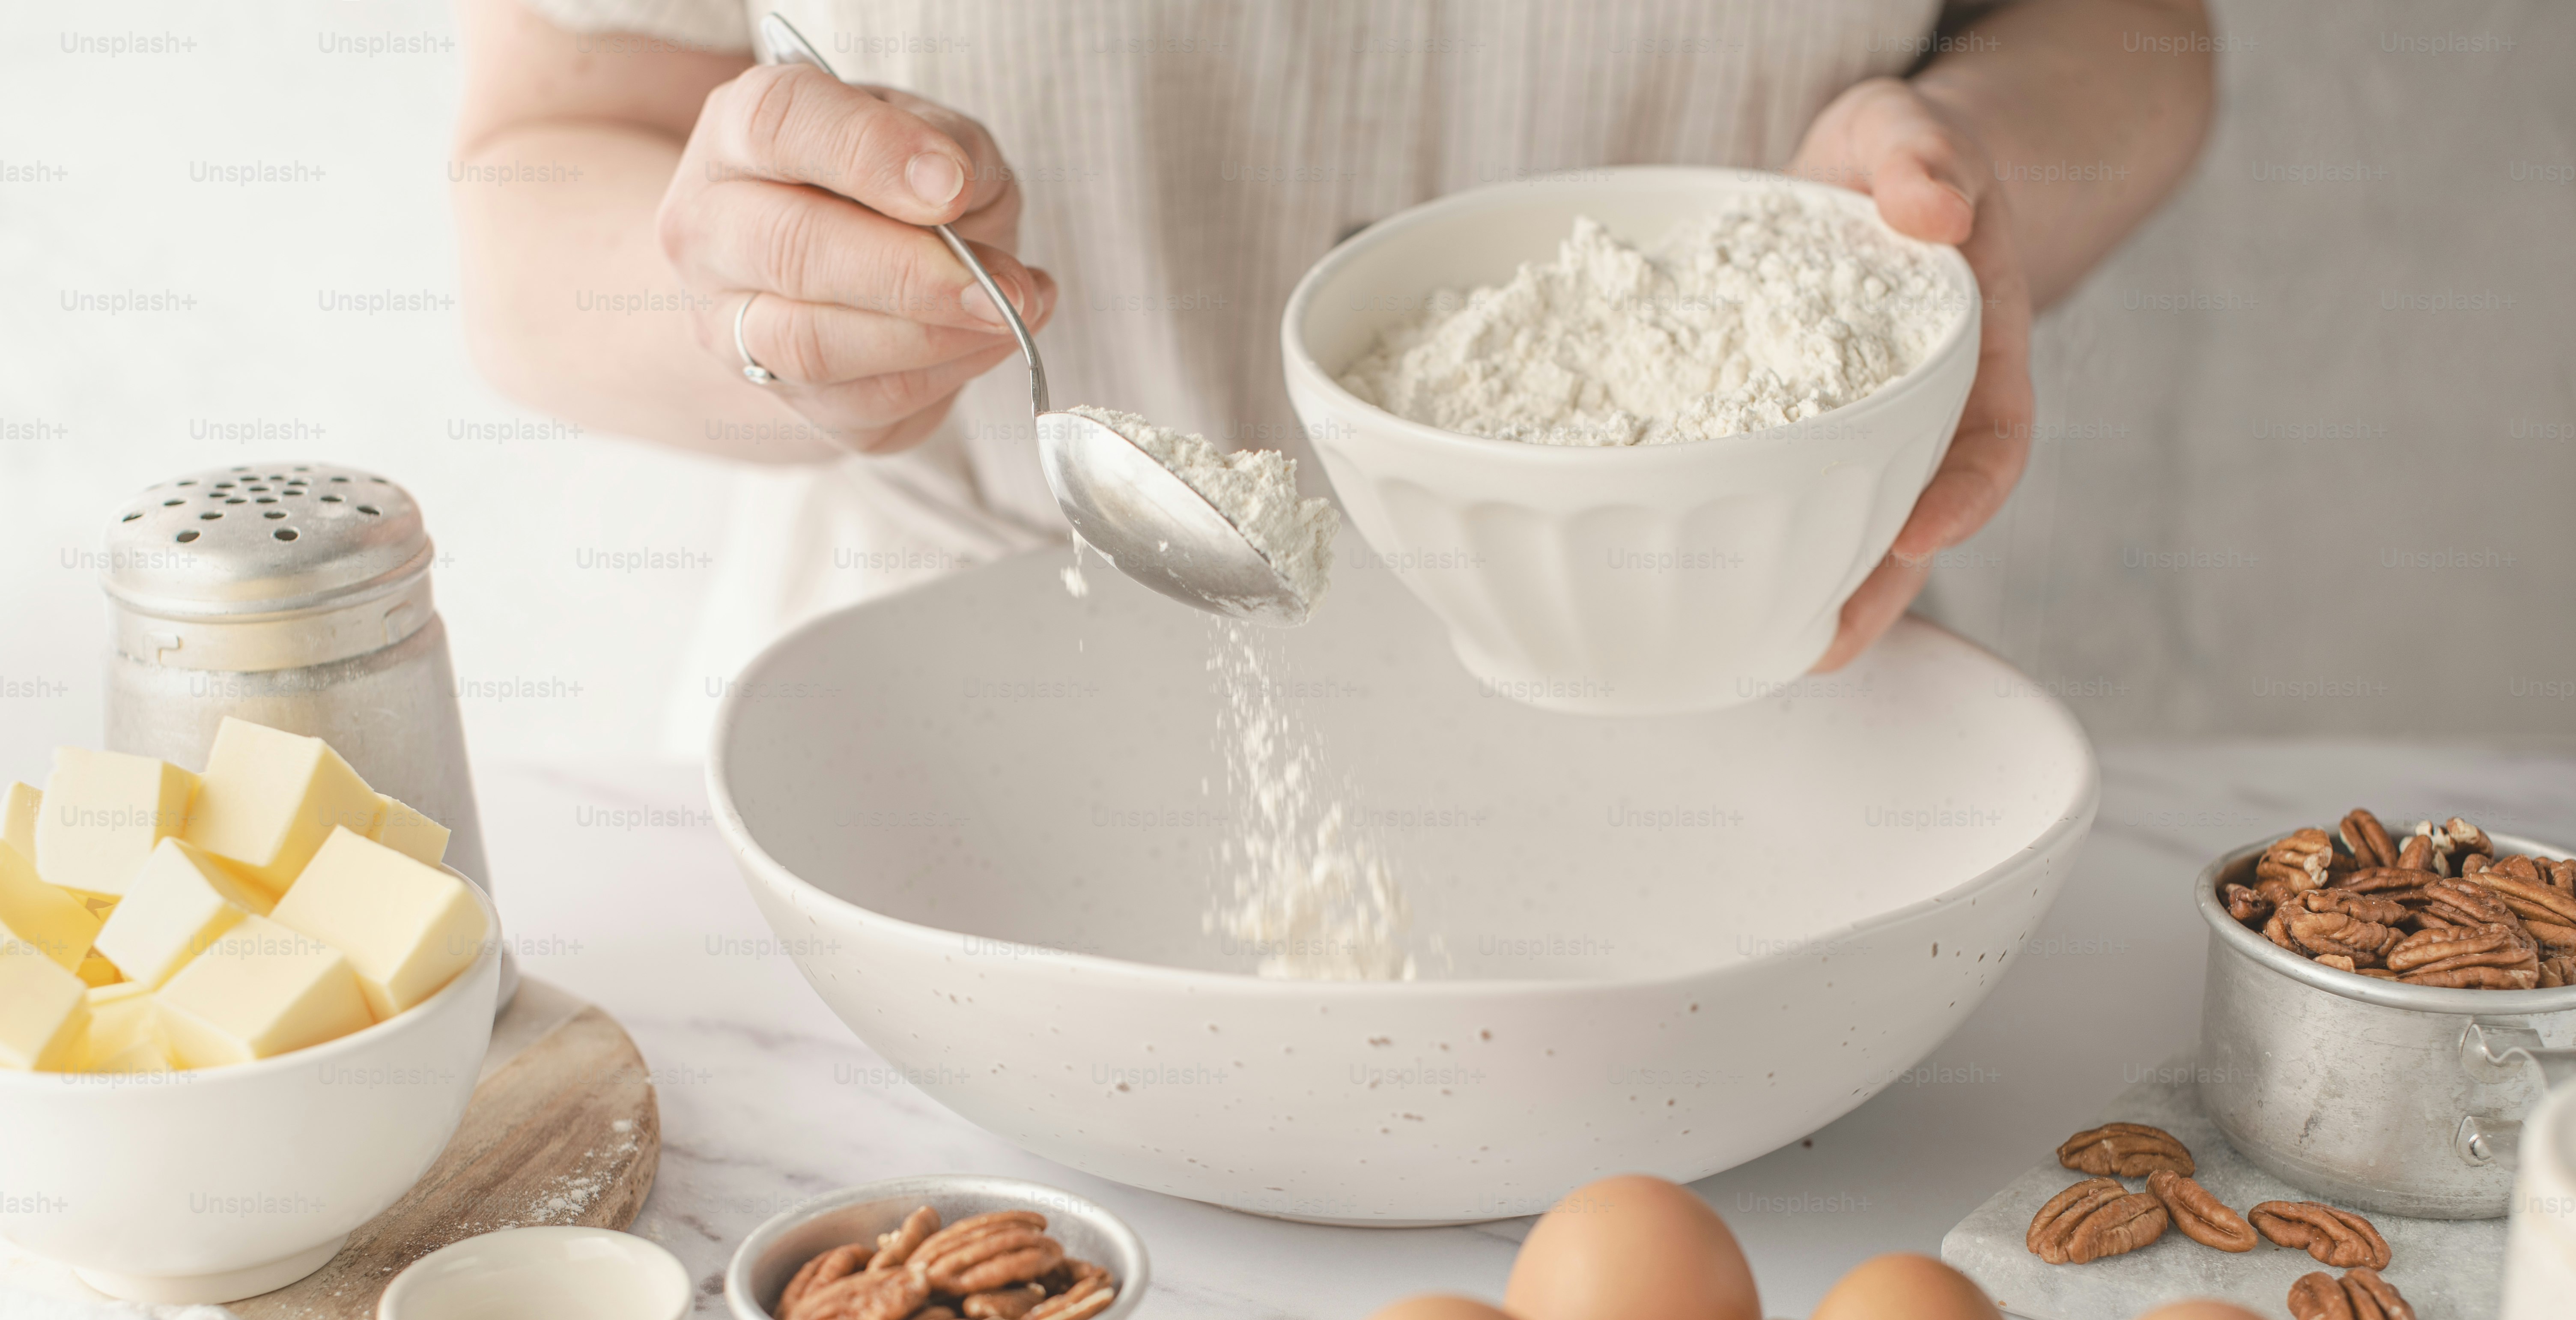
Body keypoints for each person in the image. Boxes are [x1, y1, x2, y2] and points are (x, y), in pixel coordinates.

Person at [452, 0, 2212, 728]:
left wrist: (1949, 183)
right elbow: (544, 159)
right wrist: (750, 305)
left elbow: (2128, 34)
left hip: (1730, 672)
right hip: (963, 703)